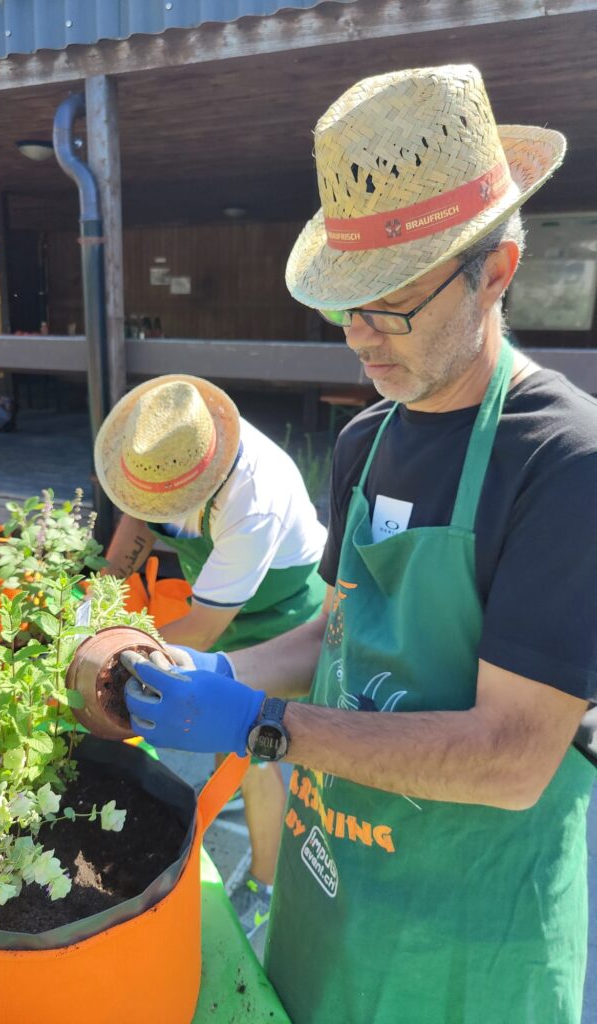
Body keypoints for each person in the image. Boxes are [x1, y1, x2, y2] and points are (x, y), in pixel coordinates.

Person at [122, 64, 597, 1024]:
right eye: (346, 305)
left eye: (391, 306)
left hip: (469, 934)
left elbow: (512, 759)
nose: (359, 339)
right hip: (330, 881)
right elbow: (332, 633)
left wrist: (261, 726)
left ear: (496, 270)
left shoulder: (563, 460)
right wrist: (192, 674)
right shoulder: (363, 437)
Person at [93, 373, 327, 934]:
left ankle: (265, 885)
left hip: (282, 617)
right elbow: (138, 519)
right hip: (221, 607)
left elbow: (200, 628)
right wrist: (100, 593)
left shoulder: (253, 501)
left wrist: (106, 647)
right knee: (228, 747)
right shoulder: (166, 454)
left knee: (252, 748)